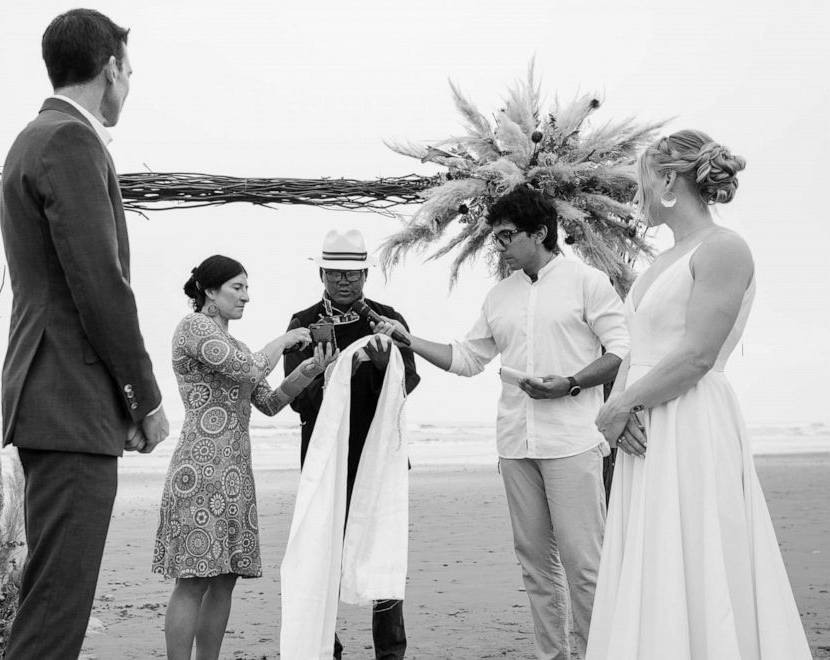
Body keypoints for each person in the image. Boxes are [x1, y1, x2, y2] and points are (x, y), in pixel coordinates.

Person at [374, 186, 629, 660]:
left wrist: (570, 382)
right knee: (535, 567)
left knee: (584, 565)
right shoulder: (499, 296)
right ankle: (551, 655)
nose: (499, 245)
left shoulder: (587, 282)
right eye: (496, 237)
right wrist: (410, 341)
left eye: (507, 236)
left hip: (573, 442)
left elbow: (622, 350)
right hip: (515, 444)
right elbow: (470, 358)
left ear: (540, 233)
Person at [587, 131, 813, 659]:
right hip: (645, 424)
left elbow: (698, 355)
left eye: (643, 177)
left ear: (669, 179)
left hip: (690, 421)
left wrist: (622, 405)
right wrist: (616, 411)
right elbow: (638, 347)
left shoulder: (725, 248)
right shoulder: (660, 263)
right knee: (652, 557)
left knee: (699, 551)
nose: (636, 192)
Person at [0, 9, 171, 660]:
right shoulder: (70, 141)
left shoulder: (31, 138)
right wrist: (145, 400)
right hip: (68, 404)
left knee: (47, 610)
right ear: (110, 69)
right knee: (51, 627)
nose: (130, 83)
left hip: (51, 397)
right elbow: (99, 285)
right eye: (130, 70)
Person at [153, 255, 338, 660]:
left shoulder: (235, 343)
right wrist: (283, 341)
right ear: (208, 290)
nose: (246, 297)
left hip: (234, 474)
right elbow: (249, 367)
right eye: (237, 288)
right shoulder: (194, 329)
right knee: (193, 580)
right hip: (200, 470)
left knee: (224, 579)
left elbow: (269, 402)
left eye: (247, 288)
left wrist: (309, 368)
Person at [284, 229, 420, 660]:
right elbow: (296, 400)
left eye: (353, 273)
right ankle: (329, 645)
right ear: (322, 273)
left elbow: (409, 380)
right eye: (336, 273)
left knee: (384, 547)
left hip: (380, 453)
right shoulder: (302, 323)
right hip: (325, 459)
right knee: (322, 552)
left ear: (365, 273)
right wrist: (324, 374)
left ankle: (390, 651)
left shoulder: (387, 317)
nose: (345, 281)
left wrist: (386, 366)